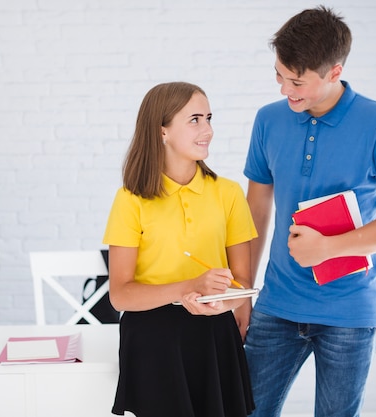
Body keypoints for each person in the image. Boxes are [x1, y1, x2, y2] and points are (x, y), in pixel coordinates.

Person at [238, 5, 376, 417]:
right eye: (279, 76)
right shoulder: (268, 120)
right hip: (276, 305)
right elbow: (256, 208)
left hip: (350, 313)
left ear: (334, 72)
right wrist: (243, 292)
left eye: (298, 82)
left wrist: (328, 248)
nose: (286, 91)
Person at [103, 81, 257, 417]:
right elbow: (120, 295)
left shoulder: (229, 194)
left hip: (214, 334)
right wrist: (191, 286)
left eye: (209, 118)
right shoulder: (130, 200)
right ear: (162, 131)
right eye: (195, 120)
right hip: (151, 338)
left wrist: (220, 304)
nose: (208, 130)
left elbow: (242, 283)